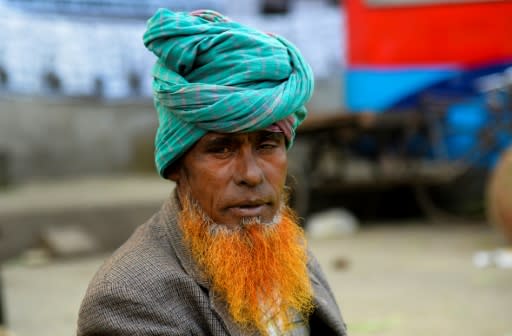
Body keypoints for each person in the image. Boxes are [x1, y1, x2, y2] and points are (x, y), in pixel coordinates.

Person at [77, 8, 347, 336]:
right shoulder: (130, 299)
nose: (251, 175)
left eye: (267, 145)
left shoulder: (286, 250)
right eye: (221, 149)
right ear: (178, 165)